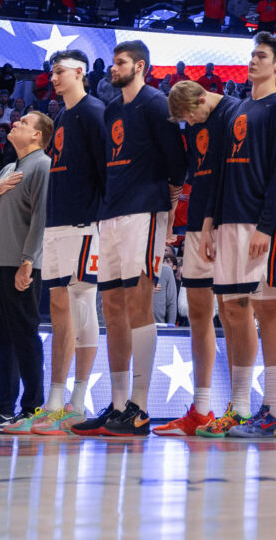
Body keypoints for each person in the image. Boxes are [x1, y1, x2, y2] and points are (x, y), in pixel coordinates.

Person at [72, 42, 184, 438]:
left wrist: (167, 206)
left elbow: (178, 163)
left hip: (144, 210)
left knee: (138, 303)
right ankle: (118, 404)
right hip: (112, 213)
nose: (113, 68)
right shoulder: (113, 109)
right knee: (112, 306)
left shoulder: (156, 103)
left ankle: (140, 407)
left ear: (140, 66)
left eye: (120, 62)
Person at [208, 34, 276, 436]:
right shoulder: (238, 106)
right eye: (251, 54)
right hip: (228, 220)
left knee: (266, 308)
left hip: (264, 222)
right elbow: (221, 169)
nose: (252, 60)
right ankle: (240, 406)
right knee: (232, 311)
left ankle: (273, 408)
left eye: (261, 56)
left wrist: (267, 224)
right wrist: (211, 222)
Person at [29, 50, 107, 431]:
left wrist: (100, 221)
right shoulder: (61, 116)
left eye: (60, 71)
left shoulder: (94, 112)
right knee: (59, 306)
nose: (54, 78)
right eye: (52, 72)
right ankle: (55, 400)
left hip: (85, 223)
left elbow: (108, 170)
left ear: (80, 72)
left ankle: (77, 401)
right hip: (57, 224)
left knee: (82, 305)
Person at [161, 75, 239, 436]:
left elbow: (230, 174)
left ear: (202, 99)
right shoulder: (193, 121)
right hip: (196, 224)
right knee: (197, 312)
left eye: (191, 116)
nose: (190, 123)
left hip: (227, 221)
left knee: (234, 313)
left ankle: (239, 407)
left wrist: (212, 222)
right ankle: (201, 408)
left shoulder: (233, 113)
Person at [0, 114, 50, 430]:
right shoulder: (8, 168)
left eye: (23, 122)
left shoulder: (42, 165)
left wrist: (28, 260)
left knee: (24, 338)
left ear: (37, 135)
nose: (15, 124)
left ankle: (32, 407)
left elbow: (41, 217)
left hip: (21, 264)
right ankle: (0, 406)